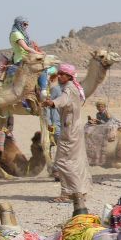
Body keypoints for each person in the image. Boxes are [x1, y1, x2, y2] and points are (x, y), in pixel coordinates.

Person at [42, 63, 92, 204]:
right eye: (58, 73)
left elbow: (63, 100)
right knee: (75, 161)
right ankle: (79, 191)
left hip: (69, 130)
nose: (59, 76)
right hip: (73, 128)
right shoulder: (72, 87)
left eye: (62, 74)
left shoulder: (69, 89)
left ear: (69, 76)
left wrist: (51, 103)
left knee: (63, 161)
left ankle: (69, 193)